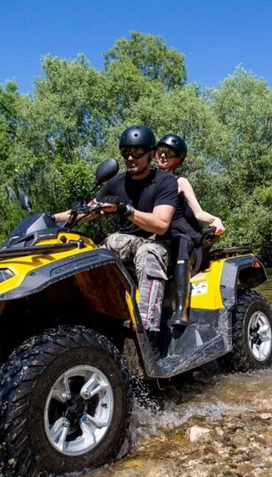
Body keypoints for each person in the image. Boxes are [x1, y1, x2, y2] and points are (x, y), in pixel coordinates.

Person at [53, 125, 177, 349]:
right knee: (90, 254)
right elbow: (88, 211)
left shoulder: (165, 181)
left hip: (157, 243)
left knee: (149, 253)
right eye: (126, 152)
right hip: (125, 242)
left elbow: (161, 224)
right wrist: (51, 219)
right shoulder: (115, 183)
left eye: (137, 152)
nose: (130, 157)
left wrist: (125, 210)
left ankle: (147, 333)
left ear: (150, 153)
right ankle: (89, 324)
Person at [155, 133, 225, 326]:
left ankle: (181, 309)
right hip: (160, 239)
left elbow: (199, 213)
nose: (163, 156)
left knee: (180, 241)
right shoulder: (149, 182)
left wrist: (215, 220)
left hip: (185, 240)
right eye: (161, 151)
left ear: (177, 161)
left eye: (169, 154)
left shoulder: (180, 182)